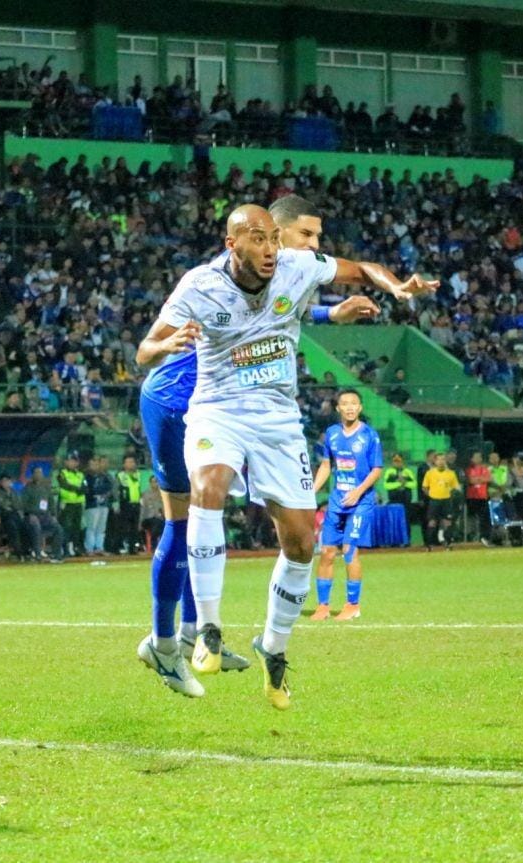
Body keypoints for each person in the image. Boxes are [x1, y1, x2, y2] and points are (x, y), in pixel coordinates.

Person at [136, 203, 436, 709]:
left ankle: (230, 643)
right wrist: (171, 343)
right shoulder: (203, 286)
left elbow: (290, 307)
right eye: (305, 234)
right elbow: (149, 347)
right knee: (188, 513)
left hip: (270, 418)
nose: (309, 245)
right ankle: (181, 639)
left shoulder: (293, 270)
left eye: (285, 240)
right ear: (239, 241)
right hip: (179, 400)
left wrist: (366, 299)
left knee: (299, 539)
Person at [309, 388, 383, 622]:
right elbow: (326, 465)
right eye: (345, 403)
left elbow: (377, 469)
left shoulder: (370, 436)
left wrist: (358, 491)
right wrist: (312, 491)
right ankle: (323, 607)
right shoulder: (331, 433)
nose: (350, 407)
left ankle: (353, 605)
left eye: (354, 403)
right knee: (327, 552)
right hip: (336, 502)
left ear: (360, 408)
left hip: (361, 502)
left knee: (350, 550)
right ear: (338, 408)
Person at [21, 466, 64, 562]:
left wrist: (53, 515)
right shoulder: (27, 488)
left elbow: (51, 503)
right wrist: (29, 514)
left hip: (45, 516)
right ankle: (37, 553)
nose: (39, 475)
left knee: (58, 528)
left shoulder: (46, 488)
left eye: (40, 473)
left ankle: (56, 554)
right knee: (36, 525)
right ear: (32, 475)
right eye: (36, 473)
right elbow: (22, 505)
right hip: (32, 516)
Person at [422, 452, 460, 550]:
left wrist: (453, 493)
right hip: (434, 501)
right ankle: (429, 544)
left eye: (443, 459)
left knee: (447, 522)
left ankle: (448, 543)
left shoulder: (451, 473)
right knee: (432, 522)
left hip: (446, 501)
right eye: (439, 459)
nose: (441, 462)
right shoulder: (430, 473)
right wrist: (431, 496)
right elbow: (424, 487)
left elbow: (456, 487)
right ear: (435, 461)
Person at [56, 452, 87, 557]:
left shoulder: (80, 474)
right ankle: (65, 548)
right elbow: (64, 485)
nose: (72, 463)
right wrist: (77, 489)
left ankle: (75, 547)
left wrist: (77, 489)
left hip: (78, 504)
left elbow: (85, 487)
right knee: (66, 527)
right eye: (70, 461)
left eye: (74, 461)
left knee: (76, 527)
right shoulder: (63, 473)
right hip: (67, 504)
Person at [0, 472, 27, 559]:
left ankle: (26, 550)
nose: (5, 483)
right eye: (3, 481)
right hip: (3, 517)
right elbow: (3, 506)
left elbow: (18, 505)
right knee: (12, 525)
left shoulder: (14, 492)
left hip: (14, 516)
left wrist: (11, 505)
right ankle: (19, 552)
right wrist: (11, 505)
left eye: (7, 481)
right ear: (0, 482)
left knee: (25, 524)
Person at [83, 457, 113, 555]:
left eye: (96, 464)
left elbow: (109, 486)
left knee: (101, 528)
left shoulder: (103, 476)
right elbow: (89, 490)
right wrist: (100, 491)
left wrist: (102, 492)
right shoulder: (87, 477)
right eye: (92, 464)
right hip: (92, 505)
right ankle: (90, 548)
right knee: (91, 527)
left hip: (103, 504)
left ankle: (99, 547)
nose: (95, 466)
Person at [114, 455, 143, 554]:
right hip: (125, 504)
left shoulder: (138, 475)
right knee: (123, 527)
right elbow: (116, 490)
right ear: (124, 464)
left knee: (134, 528)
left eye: (132, 462)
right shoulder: (120, 475)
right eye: (128, 462)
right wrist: (117, 503)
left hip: (136, 503)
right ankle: (119, 547)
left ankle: (132, 548)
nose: (130, 464)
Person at [464, 451, 491, 545]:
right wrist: (481, 478)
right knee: (472, 519)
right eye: (477, 457)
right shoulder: (468, 470)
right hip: (472, 497)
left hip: (483, 497)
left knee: (484, 518)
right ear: (471, 459)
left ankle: (484, 537)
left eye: (480, 456)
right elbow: (470, 480)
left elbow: (488, 479)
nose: (479, 458)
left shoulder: (485, 468)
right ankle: (472, 536)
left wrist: (477, 479)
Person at [139, 475, 165, 548]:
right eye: (153, 482)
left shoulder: (163, 494)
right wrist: (140, 522)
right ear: (150, 483)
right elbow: (143, 509)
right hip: (148, 518)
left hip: (160, 518)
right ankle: (152, 546)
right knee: (155, 525)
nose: (155, 484)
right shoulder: (145, 494)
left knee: (161, 524)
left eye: (156, 482)